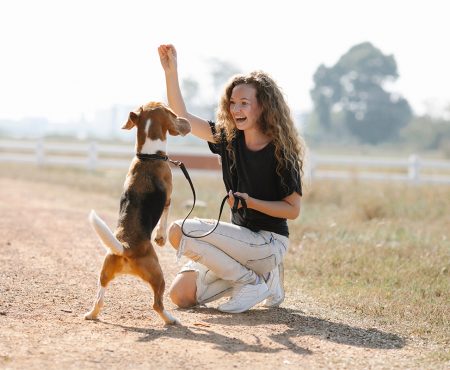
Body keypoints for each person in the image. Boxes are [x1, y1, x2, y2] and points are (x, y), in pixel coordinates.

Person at [158, 44, 305, 313]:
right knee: (181, 296)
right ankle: (265, 281)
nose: (236, 109)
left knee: (178, 230)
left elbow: (293, 210)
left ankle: (250, 281)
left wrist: (251, 202)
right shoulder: (228, 139)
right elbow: (183, 118)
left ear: (263, 107)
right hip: (240, 244)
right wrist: (171, 72)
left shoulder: (282, 152)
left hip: (269, 243)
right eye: (233, 103)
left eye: (244, 103)